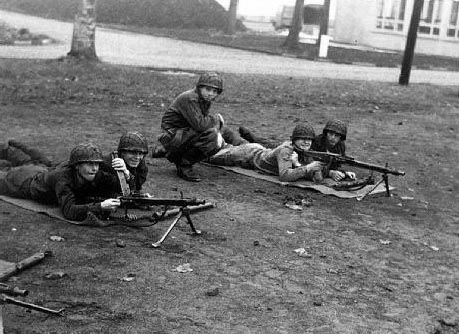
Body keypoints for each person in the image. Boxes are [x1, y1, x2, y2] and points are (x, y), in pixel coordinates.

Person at [0, 143, 121, 222]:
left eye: (97, 164)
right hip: (22, 182)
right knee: (7, 169)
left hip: (42, 170)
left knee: (25, 159)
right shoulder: (63, 180)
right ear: (77, 166)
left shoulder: (92, 173)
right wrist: (100, 206)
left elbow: (117, 184)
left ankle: (12, 146)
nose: (95, 168)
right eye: (90, 164)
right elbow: (69, 211)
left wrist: (125, 172)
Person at [152, 72, 225, 182]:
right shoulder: (191, 98)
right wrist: (215, 119)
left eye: (215, 91)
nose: (211, 94)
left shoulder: (203, 99)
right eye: (208, 89)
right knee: (213, 138)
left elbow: (202, 123)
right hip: (172, 134)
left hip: (182, 132)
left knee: (217, 138)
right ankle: (183, 164)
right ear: (199, 87)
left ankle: (174, 154)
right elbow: (200, 125)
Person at [208, 123, 325, 182]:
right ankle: (213, 132)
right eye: (302, 139)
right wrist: (307, 168)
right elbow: (284, 176)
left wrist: (300, 165)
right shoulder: (286, 150)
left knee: (231, 147)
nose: (306, 142)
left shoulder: (304, 152)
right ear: (294, 140)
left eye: (309, 139)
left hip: (257, 151)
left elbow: (317, 178)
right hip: (249, 155)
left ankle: (224, 133)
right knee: (210, 157)